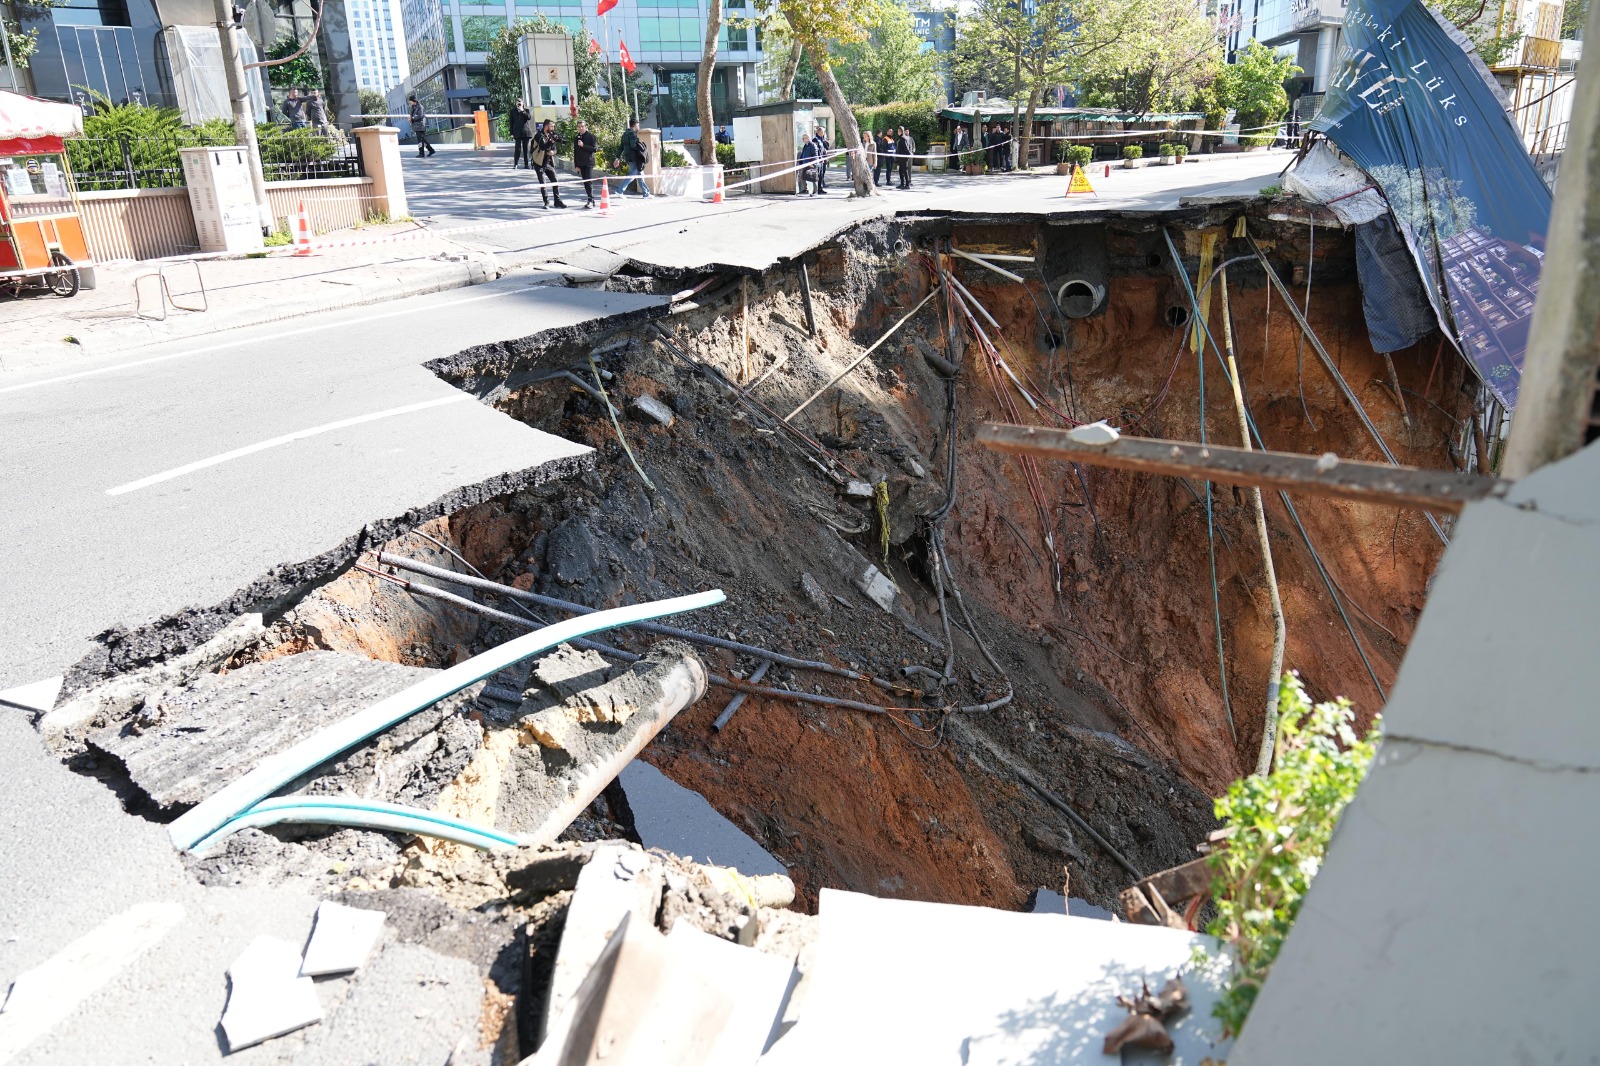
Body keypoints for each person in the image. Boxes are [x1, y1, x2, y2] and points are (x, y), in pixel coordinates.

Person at [531, 118, 566, 208]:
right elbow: (543, 147)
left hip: (548, 162)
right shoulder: (539, 135)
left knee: (555, 181)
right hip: (539, 163)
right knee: (543, 184)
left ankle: (557, 201)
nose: (553, 128)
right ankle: (546, 202)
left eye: (553, 126)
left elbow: (554, 148)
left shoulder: (552, 134)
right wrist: (551, 141)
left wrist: (553, 152)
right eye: (552, 126)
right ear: (546, 126)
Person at [617, 118, 652, 197]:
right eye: (638, 125)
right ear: (635, 125)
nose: (638, 126)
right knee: (633, 175)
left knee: (640, 175)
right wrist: (641, 146)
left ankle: (646, 193)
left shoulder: (625, 134)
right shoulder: (632, 134)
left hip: (628, 157)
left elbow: (621, 147)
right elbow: (633, 145)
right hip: (634, 158)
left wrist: (618, 157)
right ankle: (620, 190)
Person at [572, 119, 599, 207]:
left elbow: (594, 149)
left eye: (582, 126)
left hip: (589, 162)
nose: (580, 128)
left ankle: (590, 200)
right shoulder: (577, 138)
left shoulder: (591, 137)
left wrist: (584, 146)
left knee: (588, 181)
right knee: (585, 182)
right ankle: (591, 199)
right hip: (581, 163)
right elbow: (575, 152)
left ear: (586, 127)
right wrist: (576, 165)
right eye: (579, 126)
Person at [510, 99, 532, 169]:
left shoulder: (526, 110)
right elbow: (511, 123)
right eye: (517, 103)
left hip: (526, 132)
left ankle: (526, 164)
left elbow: (529, 118)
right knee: (517, 148)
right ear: (515, 103)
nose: (519, 104)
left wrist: (522, 110)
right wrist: (511, 133)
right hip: (517, 132)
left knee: (526, 149)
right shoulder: (513, 111)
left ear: (522, 103)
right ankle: (515, 164)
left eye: (520, 103)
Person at [810, 124, 830, 193]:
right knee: (818, 175)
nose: (824, 133)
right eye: (823, 132)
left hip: (822, 160)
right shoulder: (815, 139)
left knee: (821, 175)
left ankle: (820, 188)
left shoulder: (822, 139)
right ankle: (817, 189)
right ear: (819, 132)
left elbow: (825, 148)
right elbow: (816, 150)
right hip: (818, 160)